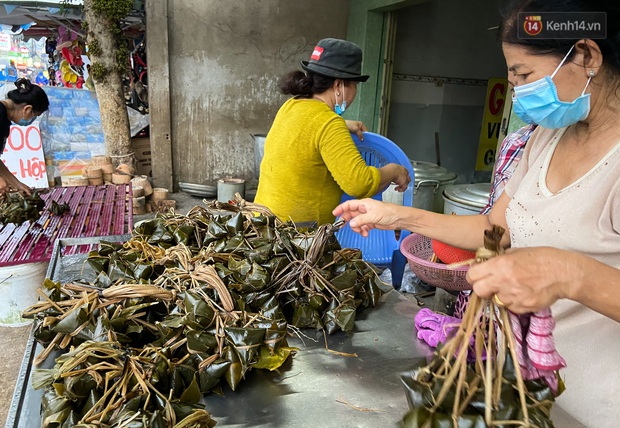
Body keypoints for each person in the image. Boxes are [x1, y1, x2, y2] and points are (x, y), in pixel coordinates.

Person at [333, 1, 620, 425]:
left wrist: (569, 273)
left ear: (586, 56)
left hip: (596, 407)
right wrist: (395, 216)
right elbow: (494, 228)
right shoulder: (547, 138)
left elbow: (566, 268)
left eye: (523, 74)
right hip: (516, 390)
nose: (516, 88)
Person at [254, 38, 410, 226]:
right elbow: (360, 183)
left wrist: (342, 124)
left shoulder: (291, 106)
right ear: (338, 86)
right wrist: (394, 170)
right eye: (354, 86)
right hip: (297, 237)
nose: (354, 93)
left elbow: (308, 130)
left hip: (263, 224)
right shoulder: (328, 123)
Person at [0, 78, 50, 195]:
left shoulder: (4, 118)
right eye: (35, 116)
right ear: (27, 109)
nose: (32, 120)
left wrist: (18, 185)